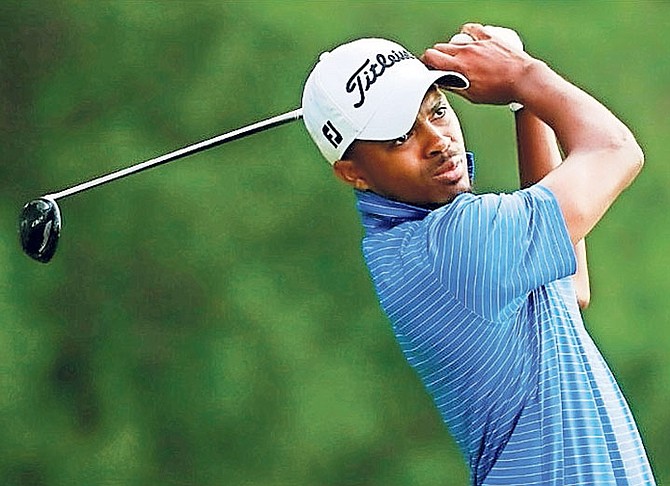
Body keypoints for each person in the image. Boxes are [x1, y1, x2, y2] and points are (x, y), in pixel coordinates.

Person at [301, 23, 655, 485]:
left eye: (438, 111)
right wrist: (524, 75)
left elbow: (568, 291)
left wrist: (522, 104)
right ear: (353, 173)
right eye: (399, 138)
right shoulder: (454, 243)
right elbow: (615, 149)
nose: (437, 141)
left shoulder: (418, 243)